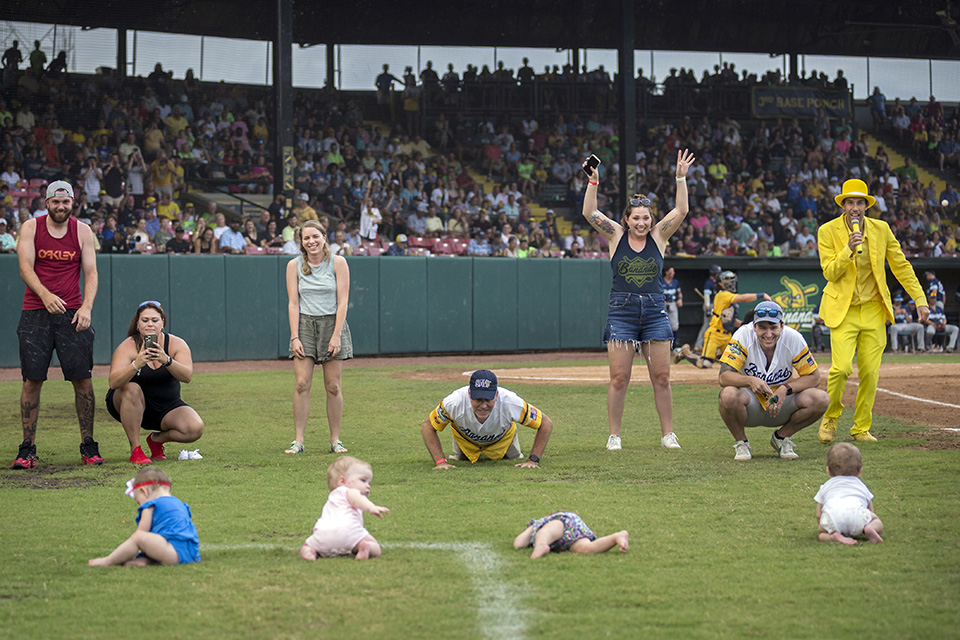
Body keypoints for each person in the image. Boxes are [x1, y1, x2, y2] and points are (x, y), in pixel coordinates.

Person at [582, 150, 696, 452]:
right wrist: (593, 182)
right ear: (627, 219)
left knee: (662, 376)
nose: (642, 223)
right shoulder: (616, 235)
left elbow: (682, 210)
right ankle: (614, 436)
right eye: (637, 218)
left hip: (655, 310)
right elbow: (590, 214)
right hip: (622, 310)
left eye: (646, 217)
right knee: (619, 377)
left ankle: (668, 434)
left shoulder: (659, 236)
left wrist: (680, 177)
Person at [817, 179, 929, 443]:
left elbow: (901, 265)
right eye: (850, 202)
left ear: (866, 205)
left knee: (870, 372)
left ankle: (861, 428)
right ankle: (830, 418)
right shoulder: (827, 231)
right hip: (842, 310)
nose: (855, 207)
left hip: (874, 310)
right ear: (843, 205)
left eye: (860, 202)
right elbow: (829, 272)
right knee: (841, 369)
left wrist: (920, 298)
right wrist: (847, 250)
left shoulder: (882, 229)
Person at [13, 181, 101, 469]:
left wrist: (86, 307)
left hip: (73, 312)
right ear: (47, 202)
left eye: (65, 202)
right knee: (32, 380)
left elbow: (90, 273)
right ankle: (27, 448)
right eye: (55, 202)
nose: (60, 207)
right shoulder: (31, 227)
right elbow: (25, 267)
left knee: (83, 379)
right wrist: (45, 294)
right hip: (36, 311)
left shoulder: (82, 231)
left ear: (72, 202)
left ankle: (88, 446)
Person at [717, 301, 829, 461]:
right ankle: (741, 443)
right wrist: (750, 380)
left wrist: (785, 389)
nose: (768, 334)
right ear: (754, 326)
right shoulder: (743, 335)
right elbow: (724, 377)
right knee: (728, 394)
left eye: (773, 327)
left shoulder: (793, 337)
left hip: (783, 403)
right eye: (762, 327)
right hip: (751, 404)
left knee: (821, 399)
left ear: (782, 326)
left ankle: (782, 437)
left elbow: (814, 377)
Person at [105, 301, 204, 465]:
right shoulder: (128, 346)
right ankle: (135, 450)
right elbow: (114, 382)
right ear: (137, 324)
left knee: (195, 428)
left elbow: (187, 376)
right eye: (144, 320)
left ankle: (156, 440)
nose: (150, 324)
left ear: (162, 322)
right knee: (132, 388)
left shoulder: (176, 344)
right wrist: (137, 363)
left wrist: (166, 360)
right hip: (130, 404)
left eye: (154, 320)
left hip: (165, 407)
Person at [284, 220, 353, 455]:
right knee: (301, 383)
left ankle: (335, 441)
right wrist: (295, 337)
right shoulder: (294, 265)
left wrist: (336, 335)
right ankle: (298, 441)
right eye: (306, 238)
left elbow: (343, 301)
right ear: (301, 243)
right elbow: (293, 303)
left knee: (333, 386)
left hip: (332, 324)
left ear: (324, 237)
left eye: (315, 236)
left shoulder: (338, 262)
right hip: (304, 324)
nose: (311, 241)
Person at [421, 369, 554, 468]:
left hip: (503, 440)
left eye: (488, 399)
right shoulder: (454, 402)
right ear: (469, 394)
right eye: (478, 399)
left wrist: (533, 460)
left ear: (496, 395)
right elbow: (428, 426)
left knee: (513, 459)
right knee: (460, 461)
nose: (483, 405)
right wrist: (440, 462)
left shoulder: (511, 402)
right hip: (465, 441)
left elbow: (545, 423)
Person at [88, 468, 200, 566]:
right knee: (155, 538)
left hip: (173, 553)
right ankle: (145, 560)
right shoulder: (180, 504)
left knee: (139, 537)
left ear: (144, 491)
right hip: (192, 553)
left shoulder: (150, 505)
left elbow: (142, 533)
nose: (140, 505)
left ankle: (108, 561)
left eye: (138, 501)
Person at [299, 456, 389, 561]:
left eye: (369, 483)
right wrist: (370, 507)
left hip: (323, 535)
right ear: (342, 481)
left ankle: (309, 552)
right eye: (363, 480)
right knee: (374, 546)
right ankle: (366, 547)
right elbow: (356, 499)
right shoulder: (349, 491)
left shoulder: (333, 497)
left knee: (307, 545)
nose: (368, 486)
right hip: (349, 533)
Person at [677, 270, 770, 368]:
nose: (730, 282)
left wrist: (743, 324)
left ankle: (718, 356)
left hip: (727, 336)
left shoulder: (729, 299)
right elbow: (743, 298)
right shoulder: (722, 295)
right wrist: (761, 295)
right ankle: (686, 353)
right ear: (720, 283)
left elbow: (729, 321)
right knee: (706, 364)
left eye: (731, 280)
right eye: (727, 280)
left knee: (732, 363)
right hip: (715, 334)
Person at [814, 443, 883, 545]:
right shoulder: (861, 485)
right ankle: (870, 528)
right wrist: (867, 520)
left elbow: (818, 514)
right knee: (877, 520)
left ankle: (834, 536)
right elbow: (869, 507)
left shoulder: (825, 487)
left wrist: (824, 526)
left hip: (832, 518)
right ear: (860, 471)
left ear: (828, 471)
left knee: (821, 535)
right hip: (857, 516)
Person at [512, 511, 629, 559]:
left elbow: (518, 543)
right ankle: (616, 537)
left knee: (544, 533)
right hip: (568, 540)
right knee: (586, 549)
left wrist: (533, 538)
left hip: (565, 522)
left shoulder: (541, 523)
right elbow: (519, 544)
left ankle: (541, 546)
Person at [694, 265, 722, 352]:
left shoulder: (718, 283)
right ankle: (698, 345)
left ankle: (716, 346)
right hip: (709, 305)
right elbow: (706, 296)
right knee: (706, 326)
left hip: (717, 306)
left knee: (717, 326)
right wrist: (708, 308)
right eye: (717, 273)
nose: (718, 274)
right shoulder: (709, 282)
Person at [662, 266, 683, 344]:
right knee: (663, 324)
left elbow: (679, 292)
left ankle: (675, 343)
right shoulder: (661, 282)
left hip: (673, 302)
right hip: (663, 304)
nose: (673, 273)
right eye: (671, 271)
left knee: (674, 325)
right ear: (667, 272)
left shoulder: (675, 282)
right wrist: (662, 301)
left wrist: (680, 299)